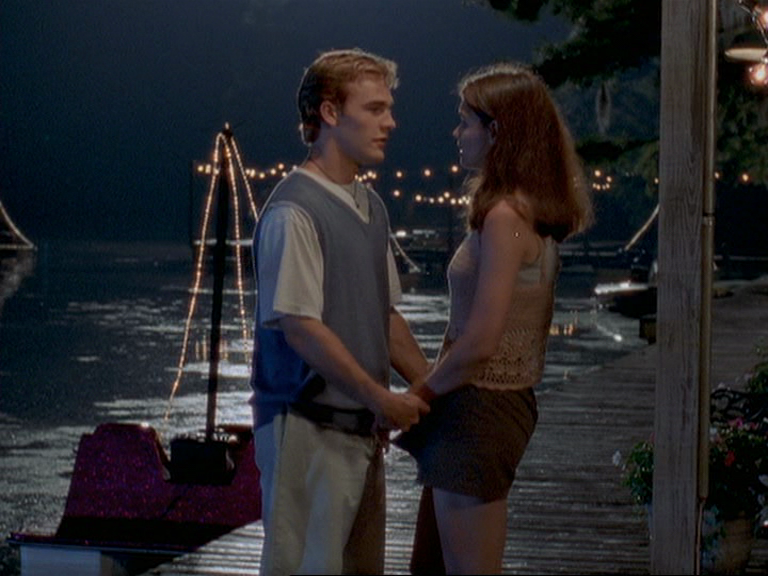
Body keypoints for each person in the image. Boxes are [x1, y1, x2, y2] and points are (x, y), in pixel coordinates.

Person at [395, 62, 593, 574]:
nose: (457, 133)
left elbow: (481, 341)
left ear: (497, 132)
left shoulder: (505, 217)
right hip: (493, 406)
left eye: (466, 121)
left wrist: (417, 395)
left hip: (478, 410)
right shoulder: (533, 213)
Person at [249, 48, 431, 576]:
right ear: (329, 112)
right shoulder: (293, 211)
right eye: (374, 109)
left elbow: (384, 318)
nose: (390, 122)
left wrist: (430, 388)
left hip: (360, 429)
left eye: (389, 109)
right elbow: (301, 329)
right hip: (307, 429)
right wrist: (381, 398)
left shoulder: (371, 206)